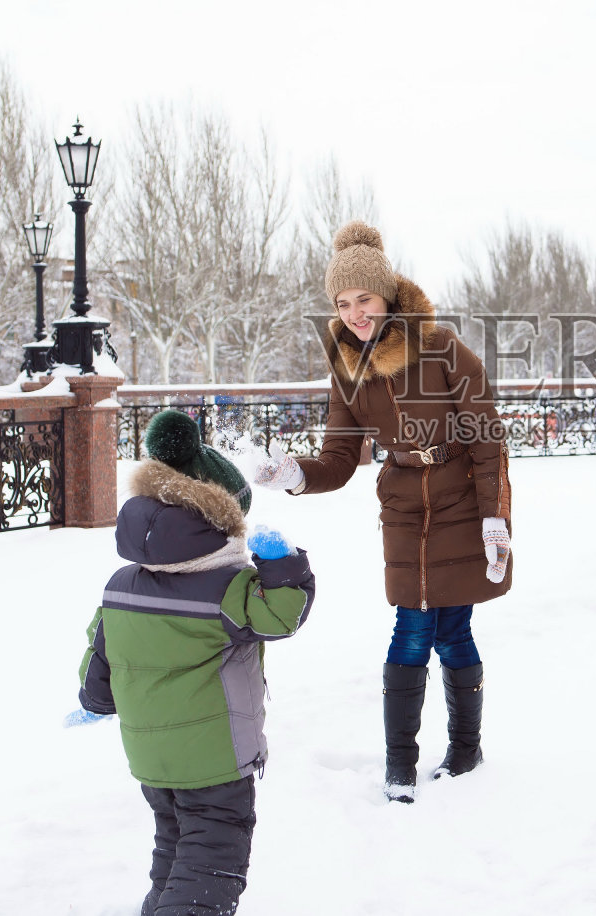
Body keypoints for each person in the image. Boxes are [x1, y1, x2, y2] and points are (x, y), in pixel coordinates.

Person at [255, 220, 513, 803]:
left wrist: (493, 514)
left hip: (460, 495)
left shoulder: (443, 349)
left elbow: (486, 435)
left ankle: (465, 751)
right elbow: (340, 457)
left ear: (387, 294)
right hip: (402, 503)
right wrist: (294, 474)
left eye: (363, 299)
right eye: (342, 303)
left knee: (453, 629)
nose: (354, 312)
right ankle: (401, 764)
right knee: (412, 626)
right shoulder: (348, 369)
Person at [75, 409, 316, 916]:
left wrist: (95, 699)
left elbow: (99, 666)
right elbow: (283, 615)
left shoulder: (121, 587)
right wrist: (283, 563)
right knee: (211, 867)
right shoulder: (229, 591)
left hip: (150, 760)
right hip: (214, 762)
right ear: (220, 524)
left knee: (174, 851)